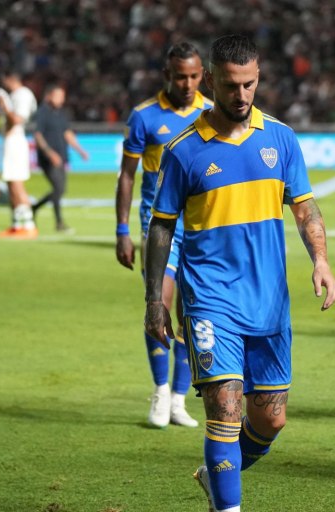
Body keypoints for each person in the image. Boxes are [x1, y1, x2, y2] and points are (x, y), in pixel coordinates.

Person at [144, 35, 335, 512]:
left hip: (269, 301)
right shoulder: (184, 150)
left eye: (249, 84)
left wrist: (320, 259)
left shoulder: (280, 138)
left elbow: (306, 208)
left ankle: (214, 476)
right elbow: (161, 227)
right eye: (231, 85)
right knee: (225, 414)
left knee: (270, 421)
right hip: (211, 299)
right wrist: (154, 300)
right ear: (212, 81)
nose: (242, 94)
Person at [115, 42, 212, 429]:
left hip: (202, 226)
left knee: (194, 312)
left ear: (202, 75)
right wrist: (122, 230)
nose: (187, 84)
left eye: (193, 76)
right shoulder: (144, 116)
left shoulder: (212, 113)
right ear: (167, 75)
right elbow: (127, 175)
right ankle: (159, 389)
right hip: (158, 224)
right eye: (180, 77)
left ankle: (178, 399)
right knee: (161, 302)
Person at [32, 85, 89, 232]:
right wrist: (49, 153)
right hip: (48, 159)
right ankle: (59, 222)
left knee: (60, 190)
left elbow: (67, 134)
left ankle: (35, 207)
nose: (62, 100)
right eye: (59, 96)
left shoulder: (61, 113)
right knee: (58, 188)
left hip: (62, 156)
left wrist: (80, 151)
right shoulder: (42, 112)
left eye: (62, 96)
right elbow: (38, 135)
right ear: (49, 96)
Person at [0, 70, 38, 239]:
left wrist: (4, 103)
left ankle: (29, 225)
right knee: (10, 182)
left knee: (17, 182)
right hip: (9, 140)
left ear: (10, 79)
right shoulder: (15, 95)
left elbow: (18, 120)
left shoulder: (23, 94)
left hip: (16, 140)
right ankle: (16, 224)